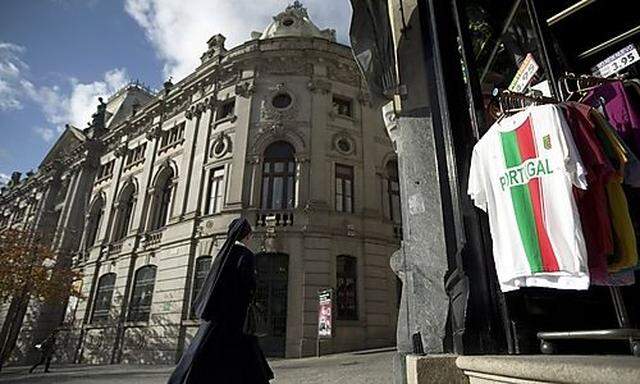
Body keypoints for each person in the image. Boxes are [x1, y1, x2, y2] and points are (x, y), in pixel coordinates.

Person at [168, 218, 273, 384]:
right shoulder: (246, 255)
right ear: (247, 236)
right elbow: (249, 286)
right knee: (244, 358)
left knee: (202, 353)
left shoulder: (222, 254)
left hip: (216, 317)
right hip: (237, 317)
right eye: (250, 235)